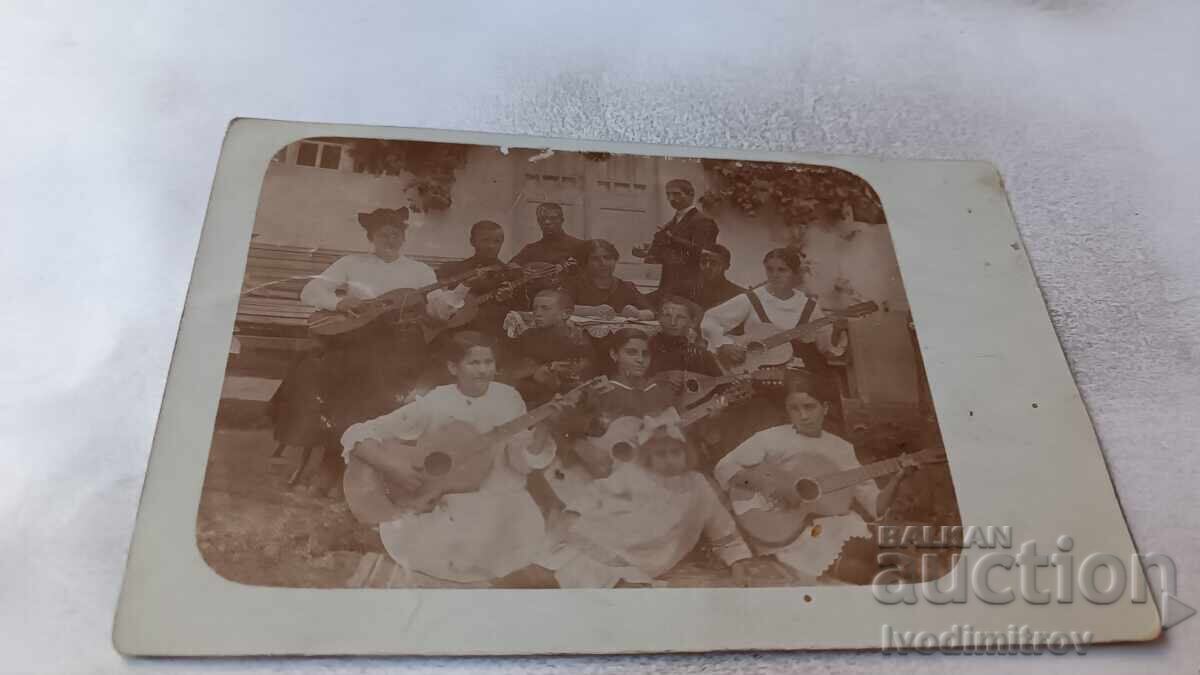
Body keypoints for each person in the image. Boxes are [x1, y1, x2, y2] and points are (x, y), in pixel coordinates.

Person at [340, 331, 560, 586]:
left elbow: (522, 461)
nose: (483, 370)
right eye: (474, 363)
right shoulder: (438, 401)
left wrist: (545, 427)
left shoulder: (508, 398)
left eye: (488, 362)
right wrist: (393, 467)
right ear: (453, 367)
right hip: (442, 497)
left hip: (501, 494)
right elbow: (358, 432)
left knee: (500, 546)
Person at [289, 207, 460, 497]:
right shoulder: (351, 263)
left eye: (397, 234)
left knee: (387, 389)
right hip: (356, 340)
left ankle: (376, 470)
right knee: (346, 386)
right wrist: (340, 304)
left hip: (401, 345)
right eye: (384, 234)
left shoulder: (419, 271)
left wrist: (452, 303)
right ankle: (335, 465)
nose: (390, 239)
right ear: (371, 237)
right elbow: (311, 291)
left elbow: (437, 309)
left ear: (404, 237)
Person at [713, 372, 916, 584]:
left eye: (809, 407)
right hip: (786, 529)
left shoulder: (841, 449)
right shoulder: (771, 438)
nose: (803, 416)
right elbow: (724, 467)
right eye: (794, 408)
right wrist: (767, 485)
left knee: (886, 560)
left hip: (834, 526)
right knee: (865, 569)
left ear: (825, 408)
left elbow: (875, 506)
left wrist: (898, 478)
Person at [542, 423, 754, 588]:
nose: (670, 460)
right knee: (569, 569)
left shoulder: (698, 484)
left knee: (620, 583)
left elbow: (721, 528)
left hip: (650, 556)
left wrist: (737, 561)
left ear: (686, 453)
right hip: (612, 541)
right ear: (648, 457)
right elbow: (596, 493)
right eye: (661, 455)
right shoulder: (634, 474)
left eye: (675, 452)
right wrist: (575, 513)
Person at [505, 288, 595, 408]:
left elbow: (580, 378)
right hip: (529, 397)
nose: (537, 313)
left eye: (545, 308)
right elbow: (514, 372)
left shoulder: (578, 341)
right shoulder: (528, 336)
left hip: (565, 402)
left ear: (565, 314)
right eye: (535, 308)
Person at [434, 220, 524, 339]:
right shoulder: (453, 270)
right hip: (455, 332)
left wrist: (508, 299)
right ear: (472, 241)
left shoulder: (511, 274)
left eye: (497, 241)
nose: (491, 246)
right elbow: (438, 305)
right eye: (485, 240)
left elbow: (520, 312)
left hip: (495, 335)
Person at [632, 179, 719, 301]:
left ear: (691, 194)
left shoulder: (703, 221)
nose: (671, 198)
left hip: (691, 284)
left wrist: (672, 239)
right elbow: (666, 252)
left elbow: (703, 252)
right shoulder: (672, 222)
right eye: (668, 194)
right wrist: (646, 251)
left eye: (677, 194)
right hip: (669, 282)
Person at [563, 239, 655, 321]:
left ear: (615, 260)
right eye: (595, 259)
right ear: (584, 263)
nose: (603, 263)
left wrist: (637, 314)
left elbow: (652, 312)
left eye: (608, 258)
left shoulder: (626, 287)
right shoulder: (575, 284)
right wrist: (593, 311)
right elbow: (562, 307)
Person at [647, 295, 722, 377]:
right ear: (659, 318)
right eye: (667, 316)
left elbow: (720, 383)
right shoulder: (648, 346)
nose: (673, 322)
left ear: (693, 322)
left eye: (680, 317)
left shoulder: (699, 353)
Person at [692, 244, 745, 310]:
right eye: (704, 262)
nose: (707, 267)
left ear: (726, 266)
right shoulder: (689, 289)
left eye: (713, 262)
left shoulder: (737, 296)